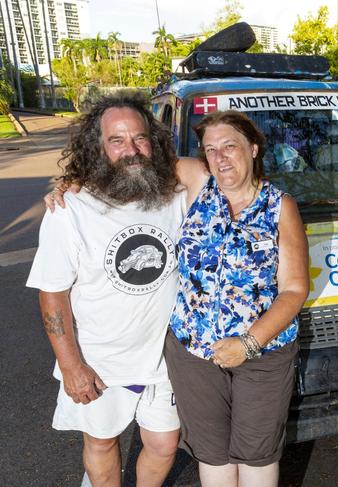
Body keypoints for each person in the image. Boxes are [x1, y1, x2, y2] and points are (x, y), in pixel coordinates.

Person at [27, 91, 183, 486]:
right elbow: (52, 292)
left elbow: (219, 165)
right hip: (101, 359)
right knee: (101, 442)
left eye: (140, 138)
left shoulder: (176, 194)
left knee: (165, 443)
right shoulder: (72, 210)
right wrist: (71, 365)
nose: (131, 150)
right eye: (116, 140)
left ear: (155, 141)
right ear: (98, 148)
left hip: (166, 356)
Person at [164, 110, 309, 487]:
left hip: (263, 353)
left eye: (230, 146)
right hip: (195, 352)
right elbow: (129, 162)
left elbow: (295, 289)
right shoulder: (199, 184)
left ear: (254, 148)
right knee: (212, 455)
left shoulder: (281, 207)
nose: (220, 157)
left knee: (257, 457)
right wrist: (74, 180)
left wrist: (248, 343)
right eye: (211, 149)